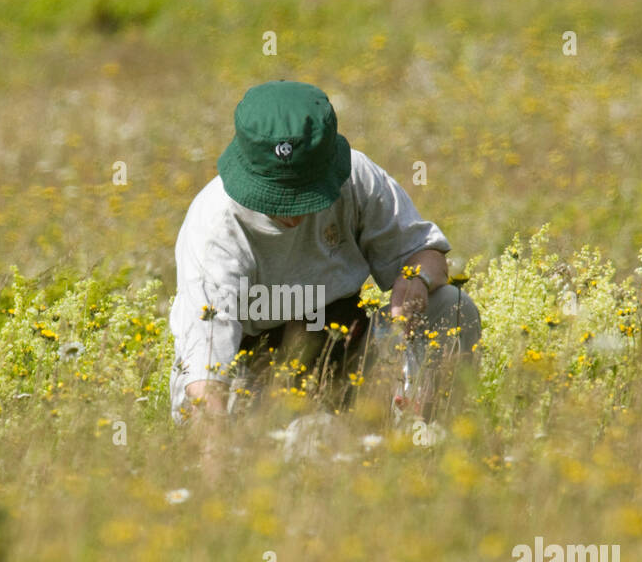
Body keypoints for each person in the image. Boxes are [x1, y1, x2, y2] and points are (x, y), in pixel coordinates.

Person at [169, 80, 482, 423]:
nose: (292, 213)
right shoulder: (215, 229)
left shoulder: (355, 178)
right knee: (310, 437)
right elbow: (206, 384)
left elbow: (427, 255)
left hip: (345, 348)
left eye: (304, 193)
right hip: (250, 377)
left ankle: (434, 446)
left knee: (452, 308)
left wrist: (415, 279)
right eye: (275, 197)